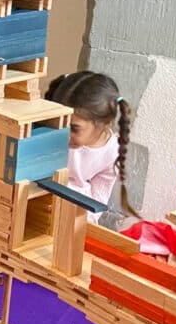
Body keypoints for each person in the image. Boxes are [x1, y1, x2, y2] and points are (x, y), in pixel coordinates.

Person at [45, 71, 136, 222]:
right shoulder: (50, 134)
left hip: (71, 213)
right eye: (60, 123)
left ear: (104, 123)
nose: (64, 134)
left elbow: (96, 204)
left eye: (74, 128)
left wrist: (75, 221)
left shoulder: (112, 153)